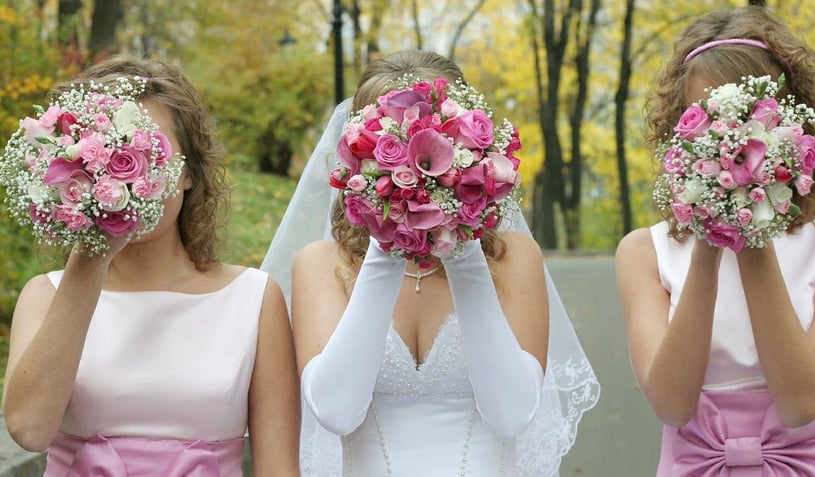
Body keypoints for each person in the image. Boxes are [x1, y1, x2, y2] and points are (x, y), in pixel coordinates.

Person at [261, 50, 599, 477]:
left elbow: (512, 414)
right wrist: (388, 230)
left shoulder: (513, 258)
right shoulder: (321, 264)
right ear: (359, 158)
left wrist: (462, 234)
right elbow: (337, 411)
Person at [2, 56, 301, 476]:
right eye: (107, 157)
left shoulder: (254, 298)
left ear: (188, 174)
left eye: (148, 151)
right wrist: (93, 253)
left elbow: (279, 468)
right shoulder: (45, 294)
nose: (123, 179)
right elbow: (29, 429)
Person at [616, 6, 815, 475]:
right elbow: (671, 405)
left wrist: (754, 221)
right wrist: (710, 234)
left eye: (746, 125)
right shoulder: (644, 252)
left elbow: (802, 401)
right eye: (708, 125)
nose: (728, 147)